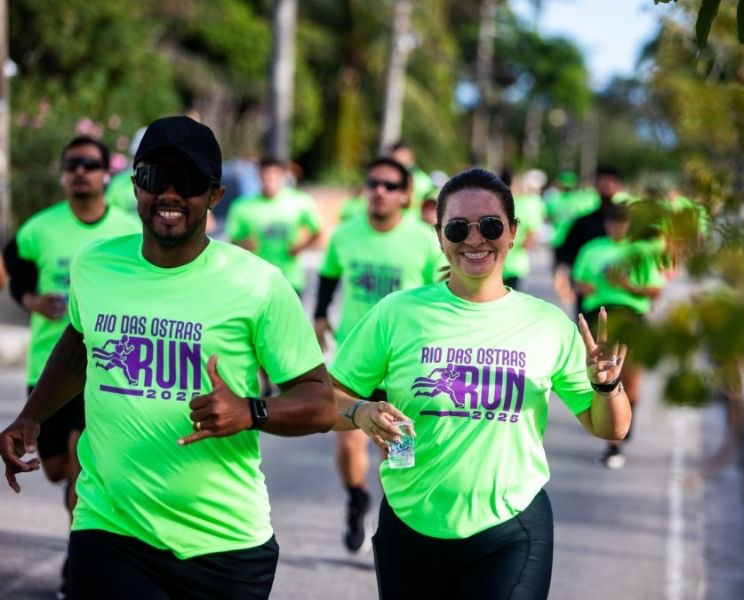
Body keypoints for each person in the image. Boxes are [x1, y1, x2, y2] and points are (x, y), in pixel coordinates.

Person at [0, 116, 336, 599]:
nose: (170, 193)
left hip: (225, 545)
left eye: (190, 181)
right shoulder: (95, 265)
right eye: (156, 177)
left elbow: (320, 402)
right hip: (110, 528)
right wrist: (31, 416)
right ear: (135, 186)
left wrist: (250, 412)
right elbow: (78, 345)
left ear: (215, 195)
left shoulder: (257, 284)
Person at [327, 168, 631, 599]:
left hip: (510, 529)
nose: (474, 239)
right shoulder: (397, 313)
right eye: (457, 228)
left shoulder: (547, 324)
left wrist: (606, 386)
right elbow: (324, 399)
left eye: (490, 226)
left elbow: (612, 428)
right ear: (439, 235)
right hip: (411, 523)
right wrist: (360, 411)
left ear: (513, 232)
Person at [2, 135, 140, 597]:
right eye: (72, 164)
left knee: (83, 463)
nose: (81, 171)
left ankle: (79, 563)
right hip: (49, 369)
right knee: (59, 468)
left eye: (90, 164)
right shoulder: (39, 229)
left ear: (106, 174)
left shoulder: (128, 230)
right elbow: (15, 272)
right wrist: (31, 300)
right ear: (63, 175)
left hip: (106, 369)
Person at [313, 156, 444, 554]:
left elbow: (442, 298)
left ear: (405, 194)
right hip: (355, 364)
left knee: (397, 453)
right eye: (373, 184)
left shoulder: (424, 241)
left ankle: (398, 521)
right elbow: (329, 276)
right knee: (348, 444)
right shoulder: (345, 235)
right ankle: (357, 499)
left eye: (390, 186)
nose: (379, 192)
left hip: (403, 368)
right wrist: (320, 315)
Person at [572, 202, 664, 469]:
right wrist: (587, 286)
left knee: (631, 379)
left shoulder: (640, 251)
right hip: (600, 316)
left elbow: (655, 290)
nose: (616, 227)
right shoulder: (592, 249)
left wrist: (626, 285)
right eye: (612, 221)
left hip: (631, 318)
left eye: (622, 222)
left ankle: (624, 420)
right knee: (603, 376)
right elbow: (578, 281)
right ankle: (612, 442)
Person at [225, 157, 322, 296]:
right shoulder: (242, 206)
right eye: (265, 177)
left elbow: (318, 231)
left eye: (274, 176)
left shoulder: (300, 201)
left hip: (289, 279)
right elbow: (233, 240)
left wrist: (300, 246)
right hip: (256, 280)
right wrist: (245, 244)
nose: (269, 181)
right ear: (259, 177)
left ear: (283, 176)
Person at [555, 165, 625, 317]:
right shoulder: (583, 223)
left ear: (618, 186)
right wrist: (568, 280)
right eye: (603, 181)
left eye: (611, 181)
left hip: (622, 298)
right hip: (590, 295)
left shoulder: (630, 223)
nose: (607, 185)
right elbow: (567, 253)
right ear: (595, 185)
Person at [503, 169, 546, 290]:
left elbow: (531, 235)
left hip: (512, 265)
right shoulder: (524, 205)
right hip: (507, 264)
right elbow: (531, 235)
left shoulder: (526, 204)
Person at [390, 140, 435, 215]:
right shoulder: (387, 179)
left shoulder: (425, 181)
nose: (398, 158)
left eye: (402, 155)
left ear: (411, 155)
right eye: (394, 157)